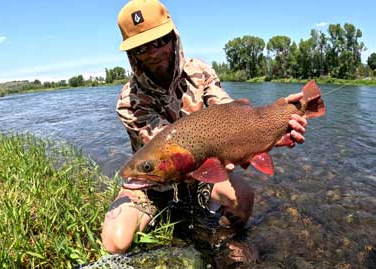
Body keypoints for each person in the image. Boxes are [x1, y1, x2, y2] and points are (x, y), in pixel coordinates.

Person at [101, 0, 307, 259]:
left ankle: (217, 238)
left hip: (201, 173)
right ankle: (171, 218)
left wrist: (273, 122)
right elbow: (168, 156)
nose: (153, 53)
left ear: (173, 37)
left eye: (159, 41)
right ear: (132, 54)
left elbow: (229, 111)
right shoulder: (129, 101)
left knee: (243, 198)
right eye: (141, 48)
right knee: (115, 242)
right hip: (154, 185)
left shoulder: (200, 71)